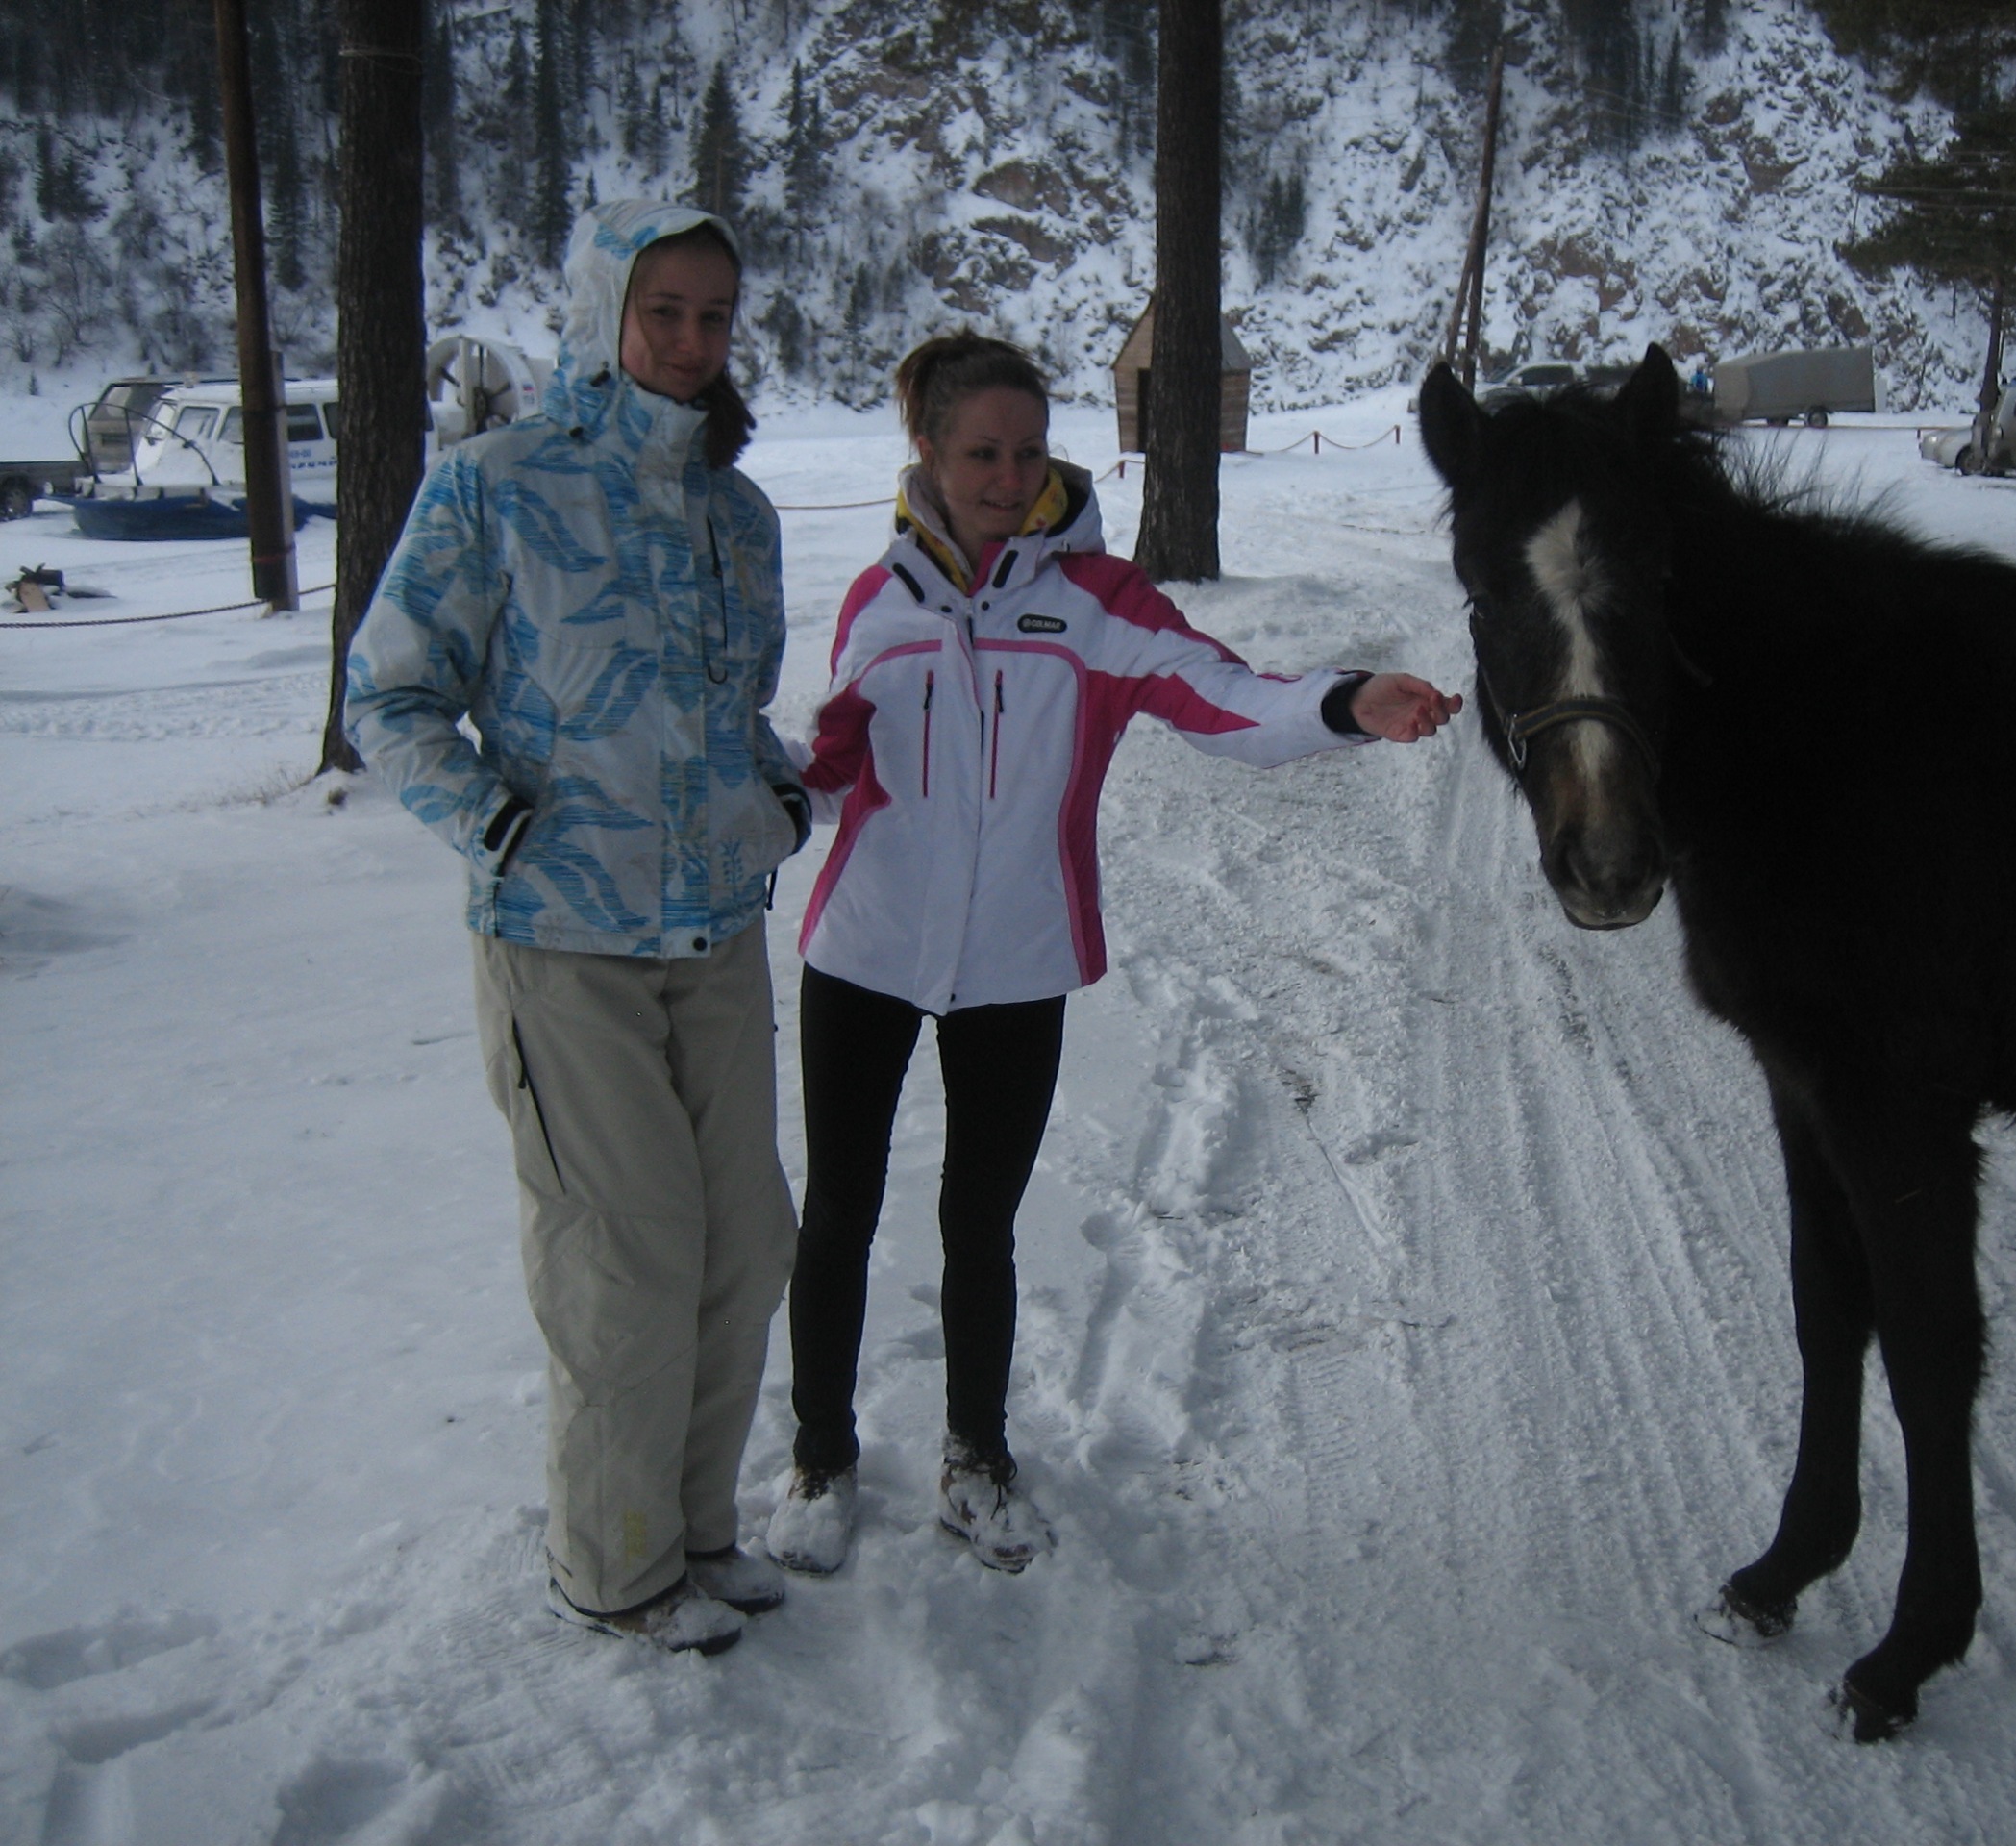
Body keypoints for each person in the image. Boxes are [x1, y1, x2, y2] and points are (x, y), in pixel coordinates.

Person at [765, 332, 1460, 1577]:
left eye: (1029, 451)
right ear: (925, 451)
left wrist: (1342, 702)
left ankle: (977, 1460)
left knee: (981, 1223)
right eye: (982, 453)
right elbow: (834, 769)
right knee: (839, 1212)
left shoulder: (1096, 602)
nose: (1009, 476)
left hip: (1017, 961)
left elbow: (1220, 697)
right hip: (864, 946)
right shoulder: (879, 603)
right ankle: (821, 1459)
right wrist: (760, 784)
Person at [345, 201, 809, 1655]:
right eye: (664, 309)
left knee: (744, 1240)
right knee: (624, 1253)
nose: (691, 340)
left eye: (714, 315)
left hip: (714, 930)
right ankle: (616, 1565)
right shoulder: (495, 486)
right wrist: (496, 825)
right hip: (562, 939)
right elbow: (390, 694)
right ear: (604, 310)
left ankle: (697, 1526)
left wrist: (776, 797)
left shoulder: (737, 510)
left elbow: (735, 712)